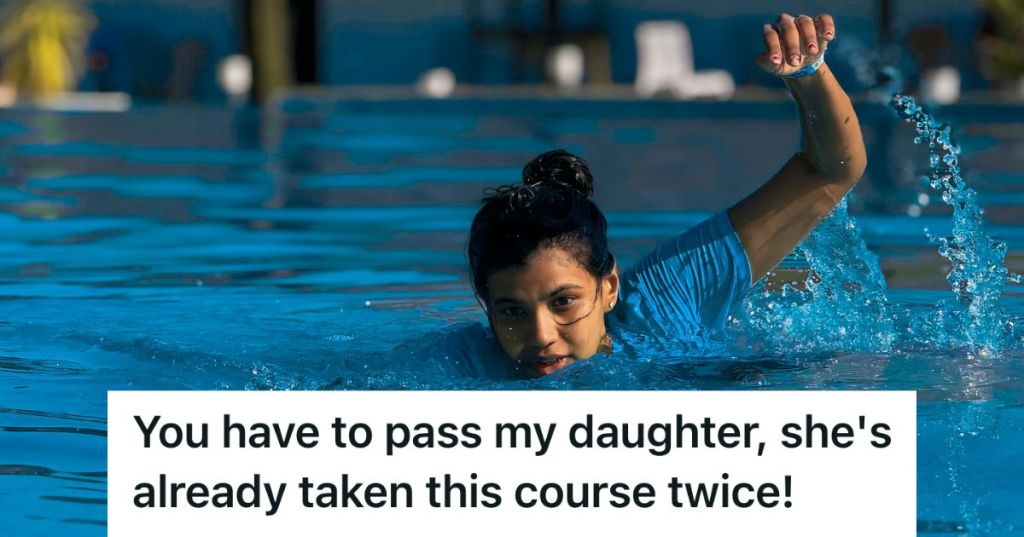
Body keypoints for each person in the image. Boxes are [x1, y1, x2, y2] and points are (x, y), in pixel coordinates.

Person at [442, 13, 865, 379]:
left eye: (564, 302)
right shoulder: (466, 363)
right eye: (511, 311)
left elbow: (830, 173)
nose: (541, 337)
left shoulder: (669, 301)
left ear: (609, 286)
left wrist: (809, 75)